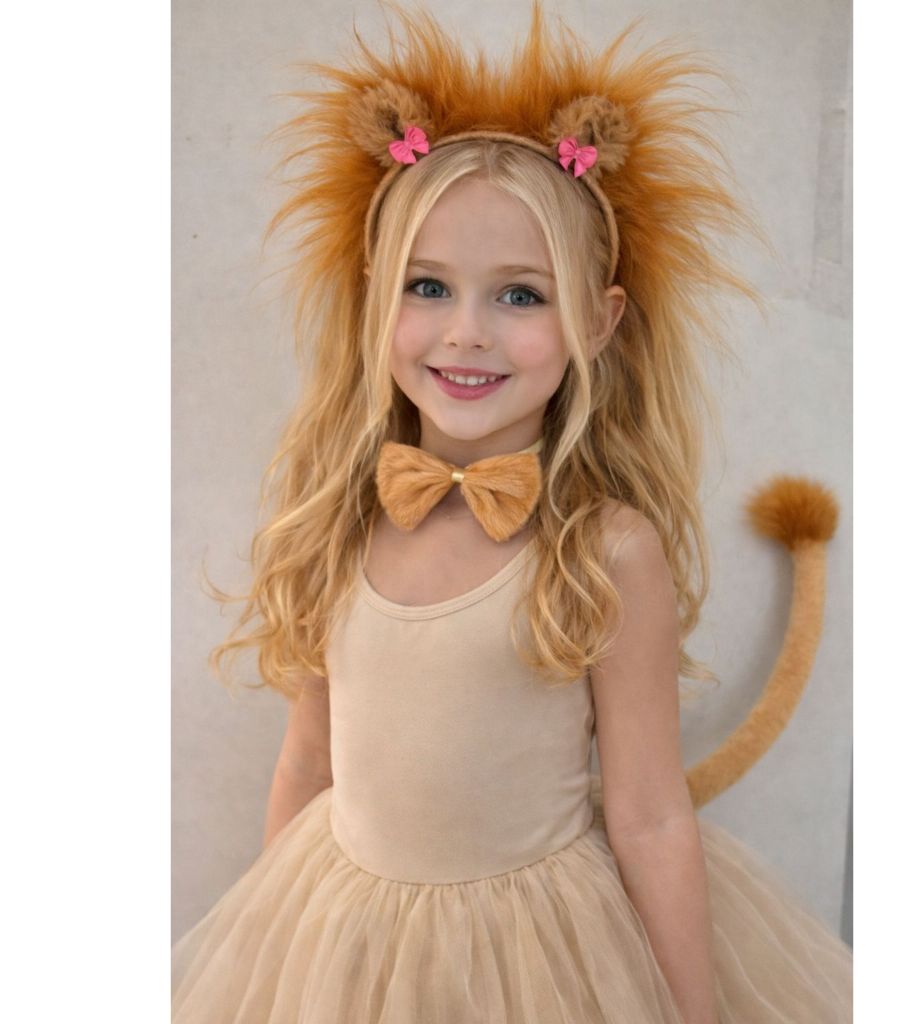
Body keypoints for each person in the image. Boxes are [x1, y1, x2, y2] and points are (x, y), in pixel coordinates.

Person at [172, 3, 852, 1021]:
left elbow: (651, 815)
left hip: (540, 951)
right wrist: (269, 964)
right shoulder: (340, 520)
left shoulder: (605, 549)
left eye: (521, 295)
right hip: (353, 937)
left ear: (598, 320)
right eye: (428, 286)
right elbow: (308, 761)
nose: (467, 333)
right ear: (374, 296)